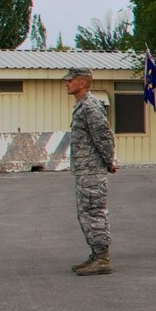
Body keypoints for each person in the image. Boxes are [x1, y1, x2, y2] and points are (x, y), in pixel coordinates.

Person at [66, 67, 117, 275]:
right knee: (86, 213)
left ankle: (103, 258)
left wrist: (110, 160)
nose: (67, 84)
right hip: (85, 169)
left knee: (94, 213)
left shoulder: (90, 107)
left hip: (92, 171)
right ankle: (96, 254)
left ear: (82, 83)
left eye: (70, 80)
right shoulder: (82, 106)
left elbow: (103, 136)